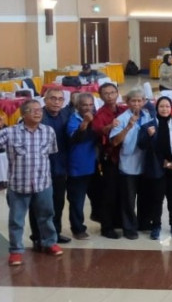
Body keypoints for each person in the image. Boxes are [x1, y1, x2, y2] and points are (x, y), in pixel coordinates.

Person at [0, 99, 62, 266]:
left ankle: (50, 242)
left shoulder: (48, 131)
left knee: (47, 216)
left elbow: (51, 152)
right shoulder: (10, 132)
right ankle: (16, 251)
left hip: (43, 183)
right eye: (33, 110)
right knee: (16, 220)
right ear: (23, 114)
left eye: (39, 110)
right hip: (18, 185)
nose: (38, 113)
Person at [138, 97, 172, 240]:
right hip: (156, 167)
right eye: (161, 106)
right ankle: (156, 225)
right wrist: (149, 136)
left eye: (167, 106)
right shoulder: (149, 126)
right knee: (157, 198)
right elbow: (141, 145)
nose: (164, 109)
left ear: (171, 108)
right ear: (156, 108)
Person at [29, 88, 71, 249]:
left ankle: (54, 234)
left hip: (60, 167)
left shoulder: (66, 115)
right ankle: (38, 237)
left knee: (57, 203)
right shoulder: (38, 116)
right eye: (53, 98)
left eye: (60, 99)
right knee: (38, 205)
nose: (56, 102)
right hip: (39, 169)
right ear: (45, 100)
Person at [109, 88, 152, 240]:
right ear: (127, 102)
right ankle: (129, 228)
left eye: (140, 101)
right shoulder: (121, 119)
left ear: (144, 102)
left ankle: (144, 223)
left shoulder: (148, 116)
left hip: (146, 163)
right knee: (128, 199)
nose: (137, 104)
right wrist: (128, 127)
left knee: (145, 196)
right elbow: (114, 142)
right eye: (133, 101)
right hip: (128, 164)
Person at [92, 83, 127, 239]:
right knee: (109, 192)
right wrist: (109, 126)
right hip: (109, 157)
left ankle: (119, 221)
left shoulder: (122, 110)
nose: (110, 96)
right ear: (101, 96)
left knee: (122, 191)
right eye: (106, 93)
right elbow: (99, 131)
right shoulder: (100, 114)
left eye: (113, 92)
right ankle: (106, 226)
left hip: (125, 156)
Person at [65, 93, 97, 241]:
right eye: (84, 105)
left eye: (91, 104)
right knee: (77, 200)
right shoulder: (73, 119)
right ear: (78, 106)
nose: (88, 108)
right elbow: (75, 138)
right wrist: (84, 123)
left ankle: (99, 218)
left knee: (99, 196)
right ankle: (78, 228)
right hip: (78, 167)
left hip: (95, 166)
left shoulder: (96, 118)